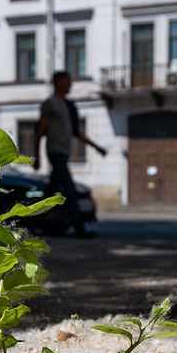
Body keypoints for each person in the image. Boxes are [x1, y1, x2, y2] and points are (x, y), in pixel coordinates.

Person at [34, 70, 106, 237]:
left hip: (64, 152)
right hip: (55, 152)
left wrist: (97, 147)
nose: (70, 85)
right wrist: (36, 156)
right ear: (58, 82)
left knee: (50, 192)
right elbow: (40, 131)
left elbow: (77, 132)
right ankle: (79, 229)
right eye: (68, 81)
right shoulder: (50, 104)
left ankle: (35, 223)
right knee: (70, 190)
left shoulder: (69, 106)